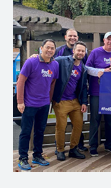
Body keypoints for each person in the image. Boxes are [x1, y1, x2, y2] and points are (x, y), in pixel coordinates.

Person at [16, 39, 59, 170]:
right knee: (26, 131)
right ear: (41, 48)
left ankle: (37, 155)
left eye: (52, 48)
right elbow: (20, 82)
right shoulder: (31, 62)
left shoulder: (55, 65)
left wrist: (50, 100)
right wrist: (20, 101)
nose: (49, 50)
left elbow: (53, 83)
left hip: (44, 104)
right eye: (47, 47)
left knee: (40, 131)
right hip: (29, 104)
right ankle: (23, 158)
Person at [85, 32, 111, 156]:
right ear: (104, 40)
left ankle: (109, 144)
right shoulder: (95, 52)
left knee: (110, 120)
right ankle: (93, 146)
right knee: (95, 119)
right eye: (108, 39)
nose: (110, 41)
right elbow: (87, 68)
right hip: (96, 92)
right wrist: (101, 71)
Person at [52, 41, 88, 161]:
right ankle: (60, 149)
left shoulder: (83, 68)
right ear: (74, 51)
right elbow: (48, 62)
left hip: (75, 101)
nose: (80, 53)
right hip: (61, 101)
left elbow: (83, 87)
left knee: (78, 125)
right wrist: (36, 56)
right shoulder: (62, 60)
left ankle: (73, 149)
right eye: (78, 50)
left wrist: (84, 102)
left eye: (83, 51)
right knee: (61, 127)